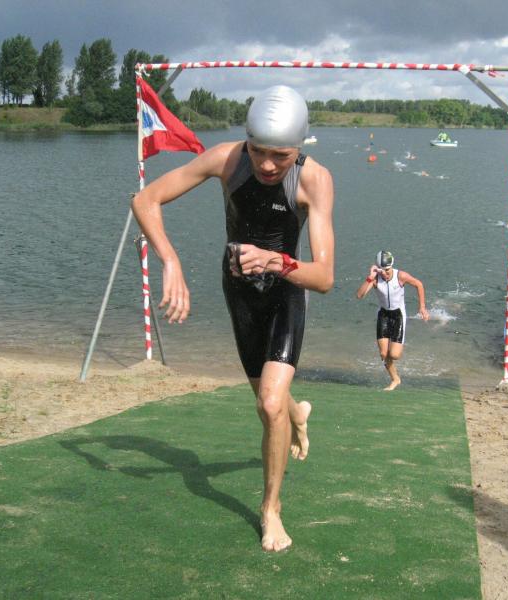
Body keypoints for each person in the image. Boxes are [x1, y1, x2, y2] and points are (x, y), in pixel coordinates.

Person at [131, 85, 334, 553]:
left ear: (299, 147)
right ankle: (297, 413)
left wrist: (275, 260)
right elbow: (145, 200)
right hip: (239, 292)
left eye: (280, 156)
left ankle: (271, 509)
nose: (267, 165)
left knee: (268, 404)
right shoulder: (226, 160)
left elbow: (324, 277)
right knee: (270, 403)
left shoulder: (314, 180)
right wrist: (170, 261)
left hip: (286, 291)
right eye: (259, 151)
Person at [355, 250, 429, 391]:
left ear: (392, 266)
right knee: (384, 354)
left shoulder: (400, 276)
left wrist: (422, 307)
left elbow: (419, 284)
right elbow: (359, 295)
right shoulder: (375, 279)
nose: (385, 273)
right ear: (378, 268)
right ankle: (395, 379)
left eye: (387, 270)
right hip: (383, 315)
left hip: (398, 315)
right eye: (382, 270)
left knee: (394, 355)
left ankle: (396, 348)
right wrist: (370, 277)